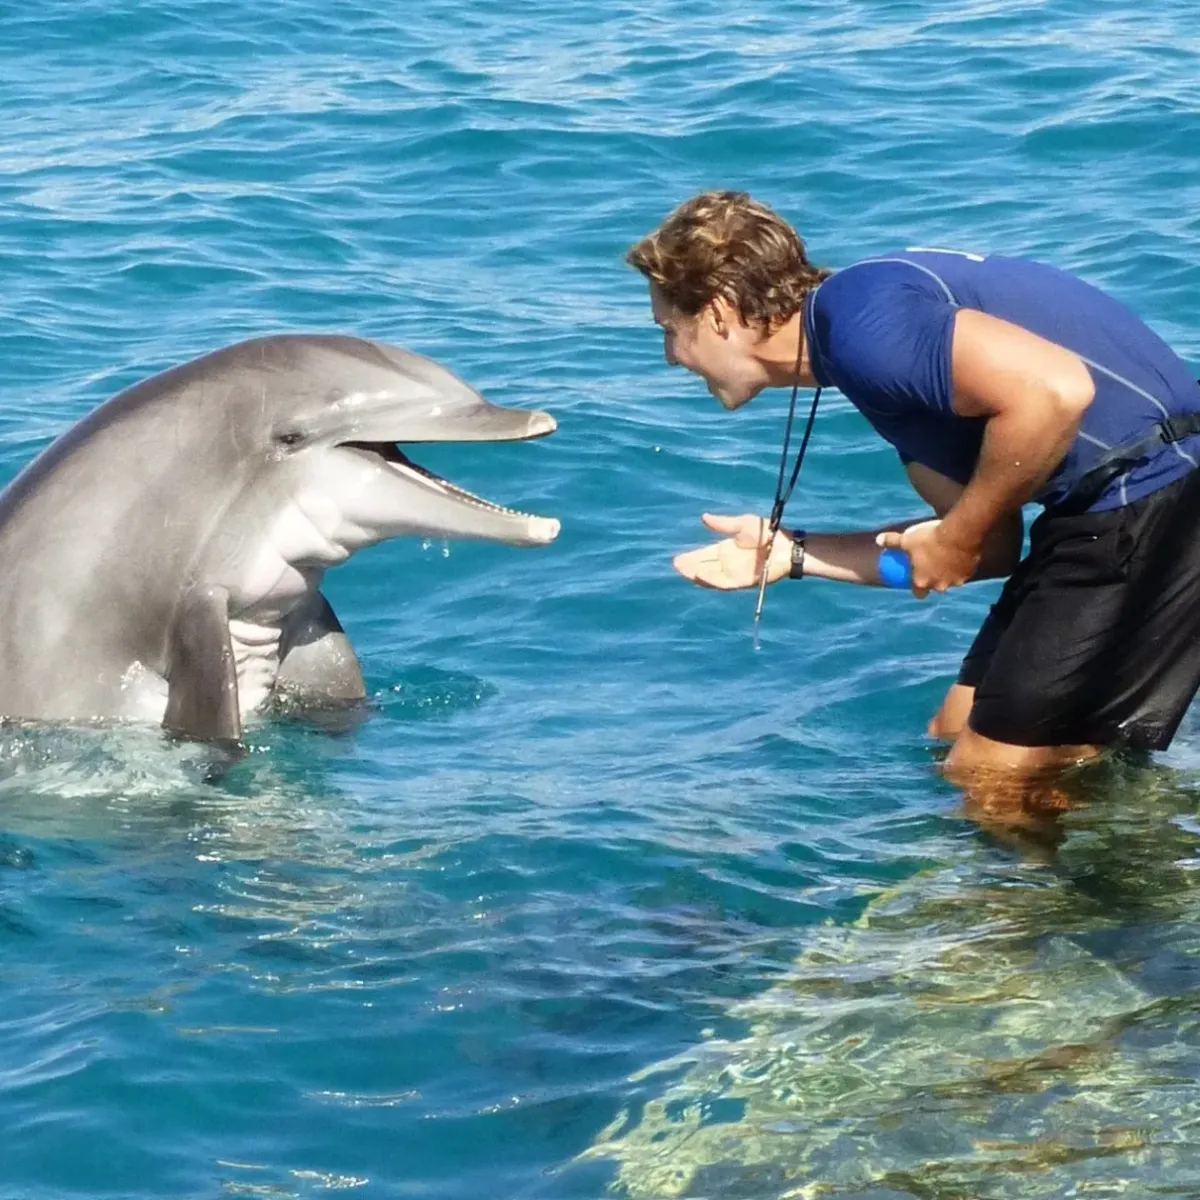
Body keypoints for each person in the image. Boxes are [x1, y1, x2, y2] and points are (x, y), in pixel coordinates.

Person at [626, 190, 1200, 802]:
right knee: (953, 731)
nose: (669, 357)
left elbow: (1055, 393)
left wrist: (954, 537)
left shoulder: (866, 325)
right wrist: (790, 555)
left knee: (989, 779)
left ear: (718, 313)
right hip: (1119, 507)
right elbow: (990, 548)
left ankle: (1098, 891)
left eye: (669, 330)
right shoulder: (868, 352)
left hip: (1149, 492)